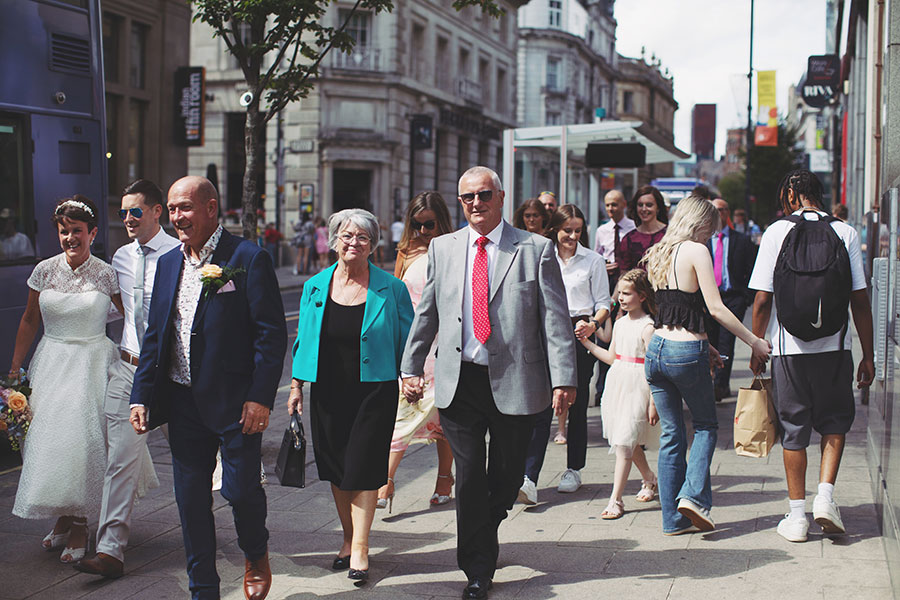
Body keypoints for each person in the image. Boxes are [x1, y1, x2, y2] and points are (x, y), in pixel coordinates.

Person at [400, 166, 577, 600]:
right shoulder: (442, 248)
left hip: (517, 377)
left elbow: (555, 320)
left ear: (500, 197)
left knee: (507, 475)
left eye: (483, 195)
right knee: (470, 478)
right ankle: (477, 568)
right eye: (466, 198)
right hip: (460, 381)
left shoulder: (535, 249)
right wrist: (410, 365)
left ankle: (485, 523)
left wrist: (564, 379)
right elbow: (428, 315)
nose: (475, 204)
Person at [129, 176, 287, 600]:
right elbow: (155, 336)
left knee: (240, 491)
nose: (178, 217)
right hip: (182, 403)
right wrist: (141, 394)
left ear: (211, 208)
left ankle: (256, 551)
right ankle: (204, 590)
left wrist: (259, 397)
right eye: (173, 209)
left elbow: (271, 337)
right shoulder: (166, 264)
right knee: (191, 501)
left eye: (186, 208)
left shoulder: (248, 259)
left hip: (236, 403)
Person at [749, 170, 874, 543]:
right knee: (834, 422)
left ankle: (798, 516)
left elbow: (761, 299)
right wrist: (868, 354)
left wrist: (757, 346)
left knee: (793, 429)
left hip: (790, 350)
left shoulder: (776, 232)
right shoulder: (845, 232)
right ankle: (826, 498)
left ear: (790, 195)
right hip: (835, 347)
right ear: (819, 194)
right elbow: (860, 300)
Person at [290, 209, 413, 585]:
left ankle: (360, 546)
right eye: (346, 236)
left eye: (362, 237)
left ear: (374, 244)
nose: (353, 243)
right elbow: (303, 339)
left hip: (373, 389)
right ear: (334, 241)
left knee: (362, 465)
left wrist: (411, 375)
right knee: (336, 467)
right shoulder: (315, 286)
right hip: (327, 388)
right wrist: (296, 386)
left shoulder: (391, 288)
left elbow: (411, 339)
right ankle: (347, 537)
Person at [642, 194, 771, 535]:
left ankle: (672, 520)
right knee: (705, 427)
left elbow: (672, 309)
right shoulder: (696, 250)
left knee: (671, 435)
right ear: (699, 223)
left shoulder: (659, 250)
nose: (711, 237)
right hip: (686, 352)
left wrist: (708, 344)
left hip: (656, 349)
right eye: (710, 230)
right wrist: (754, 341)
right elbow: (715, 308)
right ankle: (693, 497)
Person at [73, 180, 179, 579]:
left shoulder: (178, 253)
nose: (128, 219)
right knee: (118, 461)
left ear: (157, 212)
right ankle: (110, 551)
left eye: (136, 211)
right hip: (129, 368)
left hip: (171, 375)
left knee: (192, 458)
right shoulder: (120, 256)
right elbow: (116, 307)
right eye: (123, 213)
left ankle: (225, 523)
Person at [8, 195, 121, 563]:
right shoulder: (43, 270)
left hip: (92, 363)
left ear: (92, 233)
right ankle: (62, 518)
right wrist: (15, 367)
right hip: (51, 362)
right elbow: (29, 319)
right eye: (64, 231)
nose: (70, 238)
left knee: (83, 442)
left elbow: (131, 317)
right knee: (52, 443)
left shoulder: (106, 273)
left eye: (77, 231)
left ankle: (80, 524)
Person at [518, 204, 609, 504]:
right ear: (555, 229)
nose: (572, 235)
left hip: (580, 332)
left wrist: (593, 323)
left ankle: (574, 469)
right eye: (567, 230)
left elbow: (604, 302)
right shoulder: (542, 256)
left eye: (578, 231)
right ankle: (529, 477)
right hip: (546, 332)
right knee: (542, 406)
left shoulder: (592, 260)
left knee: (578, 404)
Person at [378, 192, 455, 511]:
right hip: (413, 345)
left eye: (430, 224)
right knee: (401, 416)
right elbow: (397, 297)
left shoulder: (452, 249)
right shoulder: (406, 252)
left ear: (442, 221)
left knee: (446, 419)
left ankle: (444, 478)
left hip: (445, 344)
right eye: (417, 224)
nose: (424, 230)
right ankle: (386, 481)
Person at [579, 269, 659, 519]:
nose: (621, 298)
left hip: (638, 386)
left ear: (643, 296)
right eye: (619, 293)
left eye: (627, 293)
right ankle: (649, 478)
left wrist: (654, 402)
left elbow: (654, 368)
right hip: (618, 384)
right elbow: (613, 358)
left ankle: (615, 500)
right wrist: (588, 344)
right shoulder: (622, 323)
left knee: (625, 442)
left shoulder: (648, 327)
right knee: (626, 439)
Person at [706, 198, 757, 401]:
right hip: (708, 300)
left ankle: (720, 385)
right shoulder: (702, 241)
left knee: (726, 343)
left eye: (724, 210)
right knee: (709, 341)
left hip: (732, 298)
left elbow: (752, 270)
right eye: (717, 210)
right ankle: (709, 381)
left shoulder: (741, 240)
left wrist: (745, 298)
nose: (721, 213)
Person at [617, 185, 668, 273]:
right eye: (640, 205)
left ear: (658, 208)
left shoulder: (669, 235)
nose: (644, 209)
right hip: (636, 286)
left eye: (649, 205)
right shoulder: (628, 239)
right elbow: (624, 273)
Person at [594, 189, 636, 291]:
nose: (610, 209)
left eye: (614, 205)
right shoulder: (601, 230)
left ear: (624, 205)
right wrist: (603, 266)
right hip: (608, 279)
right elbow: (596, 256)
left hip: (629, 278)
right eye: (607, 205)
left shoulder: (634, 228)